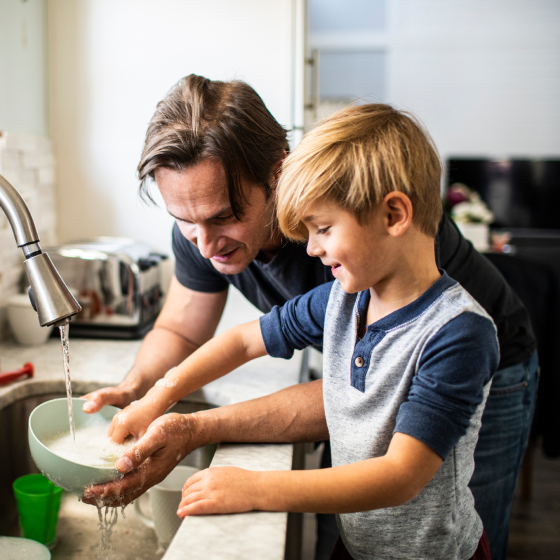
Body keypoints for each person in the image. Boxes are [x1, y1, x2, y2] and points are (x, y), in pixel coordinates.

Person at [82, 75, 538, 560]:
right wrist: (144, 392)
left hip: (491, 371)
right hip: (371, 515)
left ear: (277, 176)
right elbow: (189, 330)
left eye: (223, 217)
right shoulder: (339, 282)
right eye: (184, 220)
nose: (204, 242)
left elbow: (364, 409)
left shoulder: (366, 241)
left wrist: (228, 458)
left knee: (452, 516)